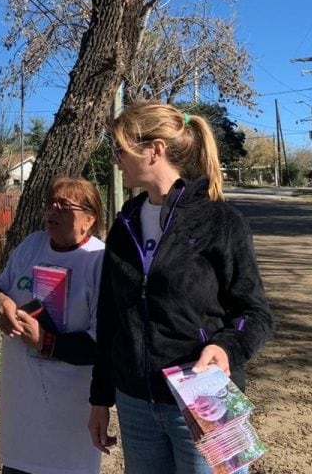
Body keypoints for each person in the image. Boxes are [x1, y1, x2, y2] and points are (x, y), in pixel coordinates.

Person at [88, 101, 273, 474]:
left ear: (153, 150)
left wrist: (226, 347)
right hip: (136, 404)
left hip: (202, 399)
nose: (115, 159)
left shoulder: (221, 221)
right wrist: (99, 400)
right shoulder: (124, 226)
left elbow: (255, 313)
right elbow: (109, 320)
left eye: (120, 149)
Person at [0, 176, 106, 474]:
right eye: (51, 204)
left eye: (64, 206)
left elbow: (103, 344)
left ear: (89, 219)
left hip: (68, 419)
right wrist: (1, 304)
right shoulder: (32, 244)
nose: (52, 211)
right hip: (20, 412)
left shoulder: (99, 261)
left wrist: (45, 342)